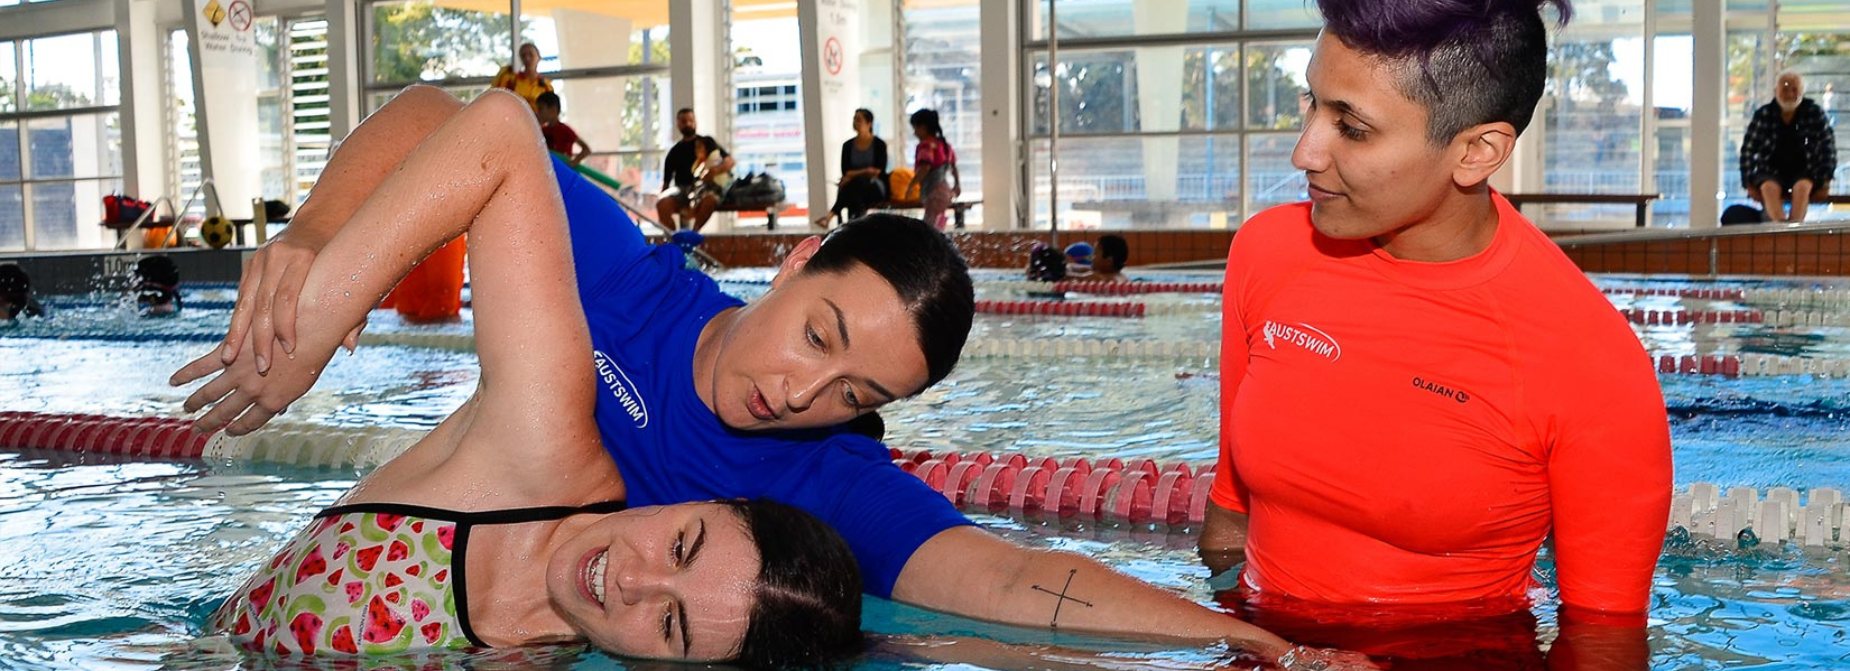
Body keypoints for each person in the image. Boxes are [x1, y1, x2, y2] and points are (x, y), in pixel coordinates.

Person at [170, 85, 1335, 666]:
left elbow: (1024, 575)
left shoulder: (828, 485)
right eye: (819, 336)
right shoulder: (626, 287)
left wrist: (1244, 639)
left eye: (857, 395)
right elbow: (444, 116)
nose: (802, 396)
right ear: (793, 260)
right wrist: (322, 254)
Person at [194, 89, 862, 665]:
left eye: (670, 624)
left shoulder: (542, 656)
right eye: (681, 546)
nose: (631, 578)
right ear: (703, 502)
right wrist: (319, 304)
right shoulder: (545, 449)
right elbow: (502, 132)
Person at [1199, 0, 1670, 668]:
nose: (1305, 149)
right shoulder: (1266, 253)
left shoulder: (1591, 364)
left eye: (1351, 127)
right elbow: (1228, 520)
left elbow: (1604, 640)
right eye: (1312, 101)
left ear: (1478, 151)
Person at [1740, 71, 1837, 223]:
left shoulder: (1814, 112)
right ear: (1775, 91)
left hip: (1805, 169)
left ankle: (1794, 228)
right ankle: (1781, 228)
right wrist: (1748, 183)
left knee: (1802, 188)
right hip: (1770, 170)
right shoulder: (1763, 114)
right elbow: (1748, 150)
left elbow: (1827, 148)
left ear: (1802, 91)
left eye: (1794, 89)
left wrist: (1825, 181)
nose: (1790, 93)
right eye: (1784, 89)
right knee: (1768, 188)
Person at [656, 109, 735, 231]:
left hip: (707, 189)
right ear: (678, 123)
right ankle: (674, 239)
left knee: (710, 200)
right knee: (662, 205)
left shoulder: (707, 142)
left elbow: (730, 162)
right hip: (681, 191)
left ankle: (693, 235)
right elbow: (666, 184)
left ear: (695, 122)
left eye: (690, 120)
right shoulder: (674, 152)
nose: (687, 124)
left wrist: (714, 172)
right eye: (683, 121)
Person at [816, 108, 889, 227]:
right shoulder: (848, 146)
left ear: (869, 123)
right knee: (854, 191)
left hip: (875, 187)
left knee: (853, 185)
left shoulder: (879, 144)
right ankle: (858, 224)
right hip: (855, 188)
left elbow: (878, 171)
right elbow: (846, 171)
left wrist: (854, 174)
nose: (855, 122)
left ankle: (832, 216)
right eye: (854, 119)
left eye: (859, 120)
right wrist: (865, 171)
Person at [905, 109, 960, 230]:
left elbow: (925, 167)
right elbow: (953, 167)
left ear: (923, 127)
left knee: (929, 227)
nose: (914, 133)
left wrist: (911, 185)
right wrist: (957, 184)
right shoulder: (944, 145)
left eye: (915, 128)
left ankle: (932, 247)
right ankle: (938, 244)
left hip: (933, 192)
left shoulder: (926, 145)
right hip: (945, 192)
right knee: (938, 225)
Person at [490, 43, 552, 113]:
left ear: (539, 57)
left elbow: (550, 110)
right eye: (523, 56)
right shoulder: (512, 80)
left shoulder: (545, 85)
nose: (527, 58)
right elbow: (495, 94)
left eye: (531, 55)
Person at [536, 92, 591, 166]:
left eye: (540, 109)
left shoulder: (565, 130)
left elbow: (586, 149)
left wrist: (572, 163)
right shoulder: (542, 131)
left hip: (562, 169)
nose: (538, 113)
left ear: (553, 110)